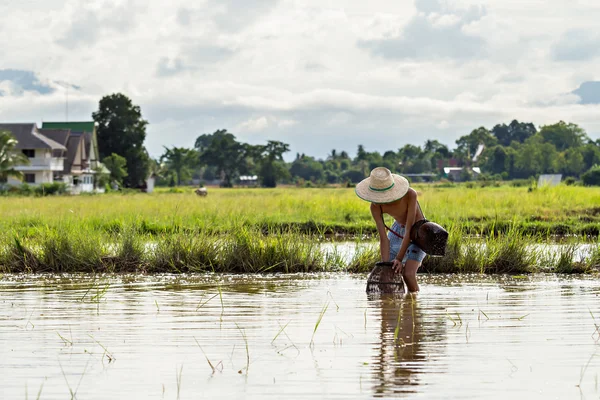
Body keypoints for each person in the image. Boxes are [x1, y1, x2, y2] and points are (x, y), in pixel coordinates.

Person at [355, 167, 426, 292]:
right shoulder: (375, 207)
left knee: (408, 275)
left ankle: (414, 304)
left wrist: (399, 259)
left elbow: (409, 229)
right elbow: (384, 238)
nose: (380, 199)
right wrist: (385, 265)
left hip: (418, 232)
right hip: (397, 231)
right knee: (386, 274)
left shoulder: (410, 195)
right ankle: (388, 307)